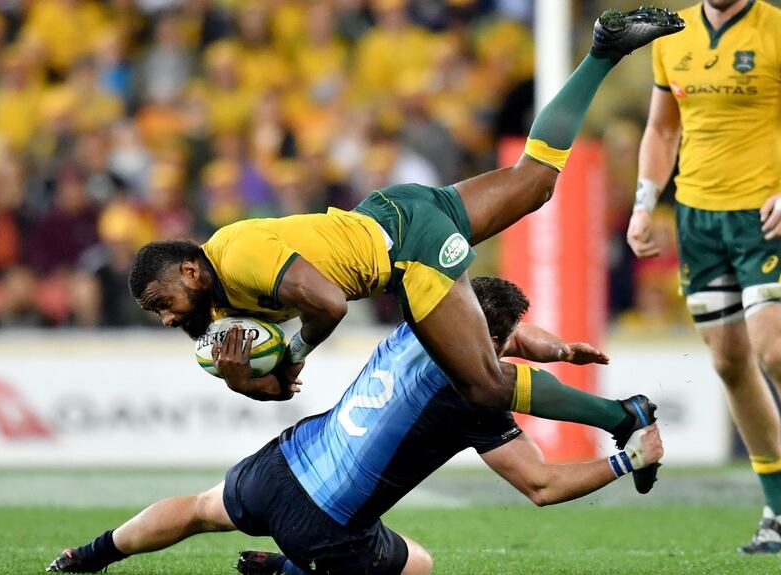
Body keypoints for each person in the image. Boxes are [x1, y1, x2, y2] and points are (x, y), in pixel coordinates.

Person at [127, 7, 684, 492]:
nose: (163, 317)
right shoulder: (219, 318)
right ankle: (603, 51)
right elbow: (281, 387)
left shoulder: (239, 254)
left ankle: (622, 415)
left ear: (190, 270)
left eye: (160, 300)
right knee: (536, 180)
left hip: (407, 247)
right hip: (393, 215)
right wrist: (245, 381)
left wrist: (294, 352)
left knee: (484, 384)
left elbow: (328, 304)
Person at [46, 277, 665, 575]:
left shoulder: (418, 319)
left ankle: (88, 556)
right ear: (495, 343)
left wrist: (553, 349)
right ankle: (292, 572)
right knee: (417, 567)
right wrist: (627, 459)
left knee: (199, 509)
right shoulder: (476, 394)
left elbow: (498, 334)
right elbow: (541, 486)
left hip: (283, 463)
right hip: (327, 525)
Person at [627, 0, 781, 555]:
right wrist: (644, 203)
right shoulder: (672, 36)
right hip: (698, 220)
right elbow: (662, 132)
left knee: (777, 354)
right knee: (729, 362)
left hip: (765, 217)